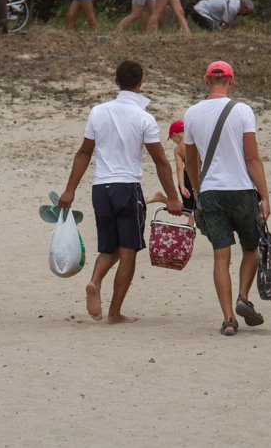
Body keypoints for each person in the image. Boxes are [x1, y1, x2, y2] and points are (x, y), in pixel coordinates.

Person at [57, 60, 182, 324]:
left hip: (101, 189)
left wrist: (69, 190)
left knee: (109, 247)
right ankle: (114, 313)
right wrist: (172, 197)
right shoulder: (144, 118)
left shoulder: (98, 112)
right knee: (128, 252)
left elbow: (84, 153)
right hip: (127, 188)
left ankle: (94, 281)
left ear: (116, 81)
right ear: (140, 84)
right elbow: (160, 161)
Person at [184, 61, 270, 336]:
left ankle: (229, 319)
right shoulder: (242, 110)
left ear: (206, 81)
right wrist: (265, 196)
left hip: (211, 192)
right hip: (242, 191)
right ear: (231, 81)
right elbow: (252, 158)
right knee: (251, 248)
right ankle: (243, 297)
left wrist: (197, 188)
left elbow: (191, 159)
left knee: (221, 256)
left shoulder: (191, 113)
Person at [146, 120, 195, 226]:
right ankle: (189, 227)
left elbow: (179, 168)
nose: (174, 142)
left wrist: (182, 186)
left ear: (175, 134)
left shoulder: (178, 149)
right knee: (193, 210)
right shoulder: (194, 139)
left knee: (189, 210)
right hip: (195, 177)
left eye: (173, 139)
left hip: (186, 179)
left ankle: (162, 198)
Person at [188, 0, 255, 31]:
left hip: (199, 9)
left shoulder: (236, 3)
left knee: (216, 30)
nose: (247, 14)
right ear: (244, 8)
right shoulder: (233, 8)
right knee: (216, 32)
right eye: (247, 12)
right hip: (200, 11)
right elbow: (224, 25)